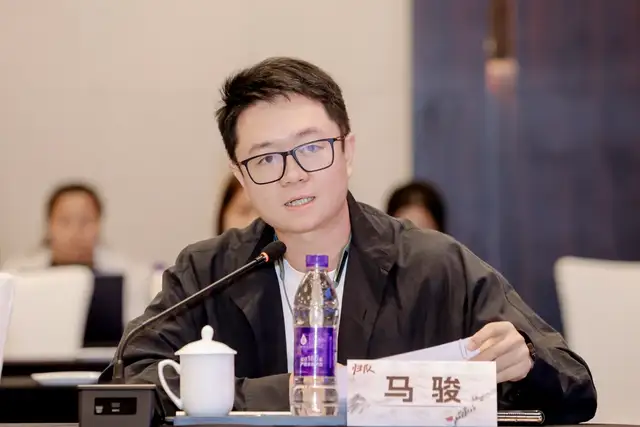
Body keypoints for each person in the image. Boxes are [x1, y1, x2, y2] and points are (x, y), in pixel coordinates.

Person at [104, 57, 596, 423]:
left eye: (312, 147)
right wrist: (290, 393)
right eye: (267, 158)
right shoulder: (209, 271)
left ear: (348, 152)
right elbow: (128, 378)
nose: (293, 174)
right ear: (241, 176)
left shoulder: (434, 265)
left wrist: (526, 362)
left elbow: (575, 387)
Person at [1, 182, 151, 323]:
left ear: (99, 225)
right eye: (65, 221)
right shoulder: (16, 274)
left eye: (85, 221)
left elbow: (139, 332)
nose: (75, 232)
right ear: (48, 225)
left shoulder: (130, 276)